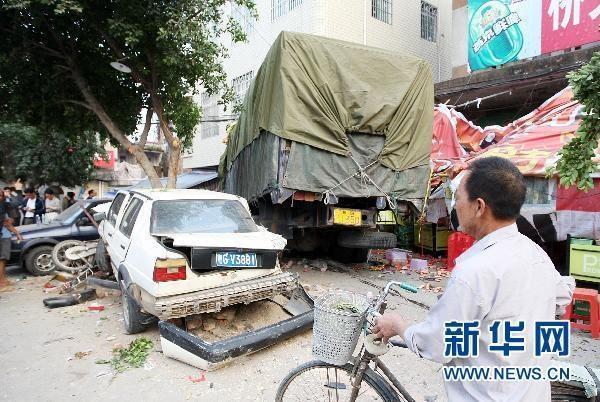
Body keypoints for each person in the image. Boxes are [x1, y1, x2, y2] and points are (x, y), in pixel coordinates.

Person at [372, 157, 574, 402]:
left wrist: (398, 325)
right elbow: (561, 297)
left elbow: (436, 343)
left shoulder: (475, 271)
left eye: (458, 199)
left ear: (479, 207)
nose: (455, 206)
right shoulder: (535, 253)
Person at [0, 191, 23, 291]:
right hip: (3, 236)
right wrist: (17, 233)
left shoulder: (3, 207)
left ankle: (3, 279)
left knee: (3, 261)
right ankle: (2, 281)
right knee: (2, 260)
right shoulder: (2, 208)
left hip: (4, 235)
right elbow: (7, 224)